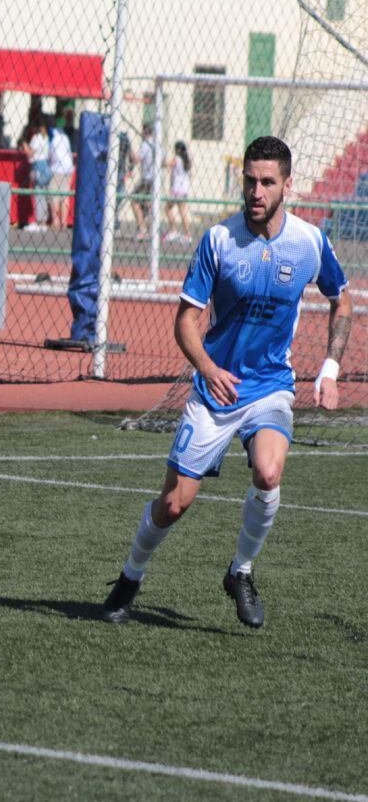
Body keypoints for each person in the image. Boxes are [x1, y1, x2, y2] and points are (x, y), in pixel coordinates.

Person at [101, 136, 354, 629]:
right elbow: (185, 321)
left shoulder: (308, 242)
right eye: (249, 180)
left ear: (287, 186)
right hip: (215, 390)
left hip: (271, 387)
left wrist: (329, 369)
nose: (256, 191)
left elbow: (340, 299)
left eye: (267, 182)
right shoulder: (218, 240)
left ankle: (240, 570)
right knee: (174, 504)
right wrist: (208, 369)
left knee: (268, 474)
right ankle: (131, 576)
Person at [22, 118, 51, 231]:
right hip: (45, 166)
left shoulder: (36, 138)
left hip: (37, 166)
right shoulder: (46, 138)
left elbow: (29, 153)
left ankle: (39, 222)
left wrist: (24, 144)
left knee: (38, 194)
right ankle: (43, 221)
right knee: (43, 194)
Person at [129, 123, 156, 240]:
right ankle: (148, 229)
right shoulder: (157, 144)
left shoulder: (146, 145)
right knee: (145, 204)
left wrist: (129, 149)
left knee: (134, 201)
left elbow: (137, 160)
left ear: (145, 132)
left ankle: (142, 230)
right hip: (155, 179)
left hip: (146, 179)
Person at [47, 115, 75, 231]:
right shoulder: (65, 138)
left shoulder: (54, 140)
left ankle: (55, 221)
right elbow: (69, 153)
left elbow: (51, 155)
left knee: (53, 194)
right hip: (68, 169)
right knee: (64, 197)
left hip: (57, 169)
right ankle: (63, 222)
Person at [163, 140, 192, 242]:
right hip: (183, 189)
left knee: (167, 209)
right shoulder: (186, 160)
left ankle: (175, 230)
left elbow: (166, 164)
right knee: (182, 211)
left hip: (177, 190)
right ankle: (187, 234)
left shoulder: (177, 159)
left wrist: (160, 156)